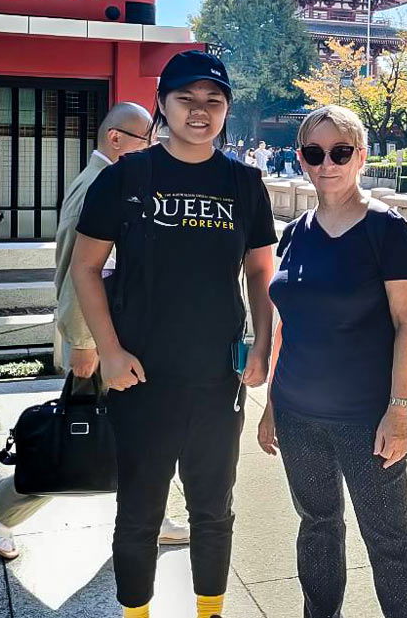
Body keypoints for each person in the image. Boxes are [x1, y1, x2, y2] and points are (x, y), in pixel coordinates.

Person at [70, 50, 278, 618]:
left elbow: (260, 272)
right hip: (141, 376)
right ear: (163, 105)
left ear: (226, 111)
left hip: (218, 378)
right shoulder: (127, 178)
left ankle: (209, 610)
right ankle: (136, 611)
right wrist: (108, 353)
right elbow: (85, 268)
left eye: (213, 101)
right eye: (186, 99)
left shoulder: (244, 184)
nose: (199, 111)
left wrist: (262, 342)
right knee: (139, 511)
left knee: (214, 508)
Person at [0, 103, 189, 560]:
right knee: (81, 434)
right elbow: (83, 271)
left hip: (111, 338)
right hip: (104, 341)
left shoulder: (101, 180)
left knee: (133, 432)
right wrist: (85, 343)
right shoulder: (102, 185)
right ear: (117, 139)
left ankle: (150, 517)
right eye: (146, 140)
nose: (152, 149)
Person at [258, 104, 407, 618]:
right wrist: (271, 405)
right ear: (301, 159)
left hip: (365, 414)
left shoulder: (386, 230)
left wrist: (399, 410)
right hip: (297, 410)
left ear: (361, 156)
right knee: (317, 525)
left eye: (339, 151)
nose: (326, 163)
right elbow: (288, 323)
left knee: (389, 537)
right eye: (314, 152)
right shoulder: (295, 233)